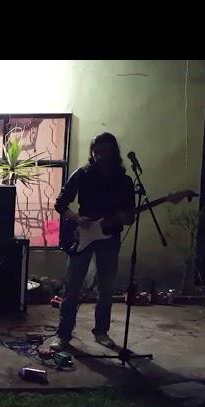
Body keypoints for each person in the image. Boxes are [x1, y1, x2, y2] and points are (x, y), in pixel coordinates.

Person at [50, 132, 135, 350]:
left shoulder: (124, 181)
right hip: (83, 235)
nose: (99, 156)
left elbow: (130, 216)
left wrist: (119, 218)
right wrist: (77, 219)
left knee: (106, 288)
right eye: (96, 151)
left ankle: (101, 332)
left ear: (113, 152)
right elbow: (60, 203)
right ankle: (63, 334)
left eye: (104, 151)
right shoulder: (82, 174)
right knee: (72, 286)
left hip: (109, 237)